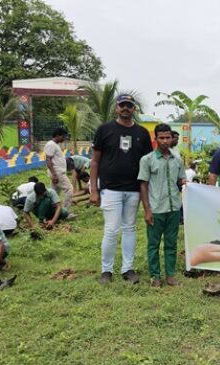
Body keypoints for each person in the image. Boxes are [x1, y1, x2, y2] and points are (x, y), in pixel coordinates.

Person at [90, 94, 153, 285]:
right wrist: (94, 189)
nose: (126, 108)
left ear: (135, 109)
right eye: (122, 105)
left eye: (129, 105)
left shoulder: (142, 133)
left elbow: (148, 164)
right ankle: (106, 271)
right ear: (116, 108)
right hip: (110, 189)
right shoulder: (104, 130)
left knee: (130, 229)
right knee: (111, 230)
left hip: (134, 190)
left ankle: (128, 269)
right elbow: (94, 161)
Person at [138, 123, 186, 287]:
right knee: (153, 244)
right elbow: (143, 185)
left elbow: (181, 181)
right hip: (156, 209)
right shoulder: (147, 160)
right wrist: (147, 210)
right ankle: (155, 276)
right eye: (162, 138)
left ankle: (170, 275)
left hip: (173, 208)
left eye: (168, 137)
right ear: (156, 139)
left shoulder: (177, 159)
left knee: (171, 243)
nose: (165, 141)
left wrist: (186, 184)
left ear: (172, 138)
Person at [44, 127, 73, 211]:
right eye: (63, 136)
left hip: (57, 173)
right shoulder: (51, 144)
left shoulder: (55, 145)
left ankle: (52, 212)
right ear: (57, 135)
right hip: (57, 173)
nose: (64, 138)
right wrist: (54, 174)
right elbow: (48, 159)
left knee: (54, 193)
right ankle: (65, 211)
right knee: (69, 189)